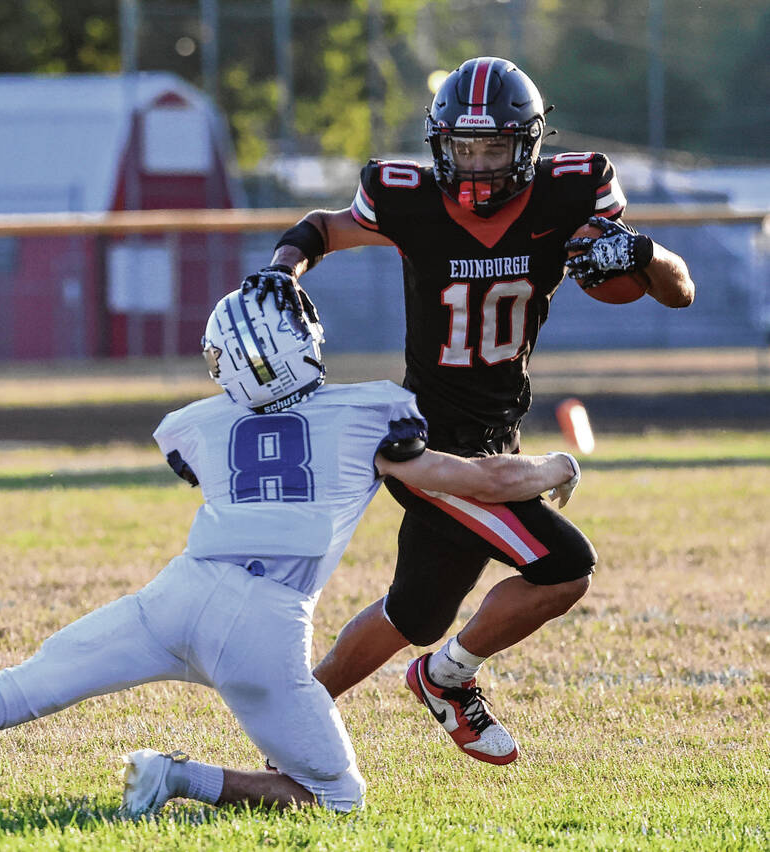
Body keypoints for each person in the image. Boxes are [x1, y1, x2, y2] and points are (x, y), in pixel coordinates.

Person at [0, 287, 582, 819]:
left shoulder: (194, 425)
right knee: (338, 798)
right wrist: (553, 467)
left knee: (14, 691)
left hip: (176, 597)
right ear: (305, 344)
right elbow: (478, 478)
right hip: (264, 622)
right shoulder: (375, 411)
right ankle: (178, 778)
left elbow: (232, 447)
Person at [242, 55, 695, 766]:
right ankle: (446, 678)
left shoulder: (570, 194)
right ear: (439, 144)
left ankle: (290, 725)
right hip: (426, 444)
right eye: (464, 148)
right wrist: (280, 270)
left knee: (415, 611)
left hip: (496, 432)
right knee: (565, 568)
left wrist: (642, 251)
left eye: (493, 149)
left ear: (528, 145)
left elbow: (677, 291)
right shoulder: (408, 197)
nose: (478, 166)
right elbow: (322, 228)